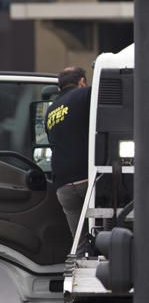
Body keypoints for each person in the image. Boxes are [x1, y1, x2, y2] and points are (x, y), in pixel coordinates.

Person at [45, 67, 91, 257]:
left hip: (64, 186)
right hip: (88, 178)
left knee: (79, 242)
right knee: (104, 233)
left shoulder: (50, 111)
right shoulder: (84, 94)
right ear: (81, 81)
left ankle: (78, 273)